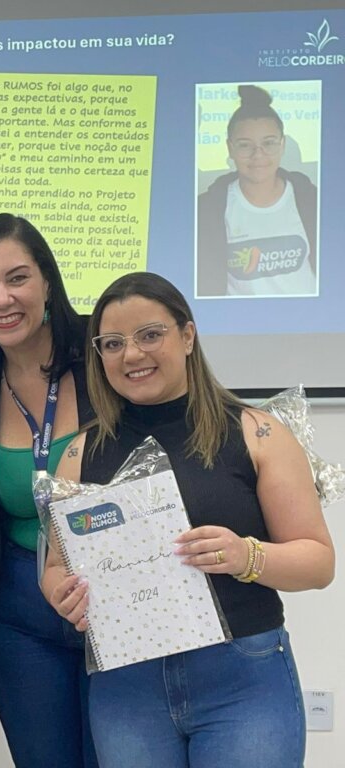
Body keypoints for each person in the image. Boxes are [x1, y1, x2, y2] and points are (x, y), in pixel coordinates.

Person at [43, 271, 334, 767]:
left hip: (242, 680)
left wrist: (248, 555)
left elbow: (318, 562)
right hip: (126, 687)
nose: (132, 355)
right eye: (113, 343)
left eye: (150, 334)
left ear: (188, 335)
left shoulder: (257, 433)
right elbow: (54, 568)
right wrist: (61, 595)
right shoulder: (77, 453)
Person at [0, 213, 98, 767]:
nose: (1, 299)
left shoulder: (106, 360)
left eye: (17, 278)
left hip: (109, 595)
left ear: (48, 282)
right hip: (18, 615)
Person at [197, 84, 317, 297]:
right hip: (236, 327)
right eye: (245, 145)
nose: (258, 155)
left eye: (268, 143)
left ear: (282, 145)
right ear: (230, 148)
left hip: (312, 326)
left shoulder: (313, 201)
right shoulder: (206, 210)